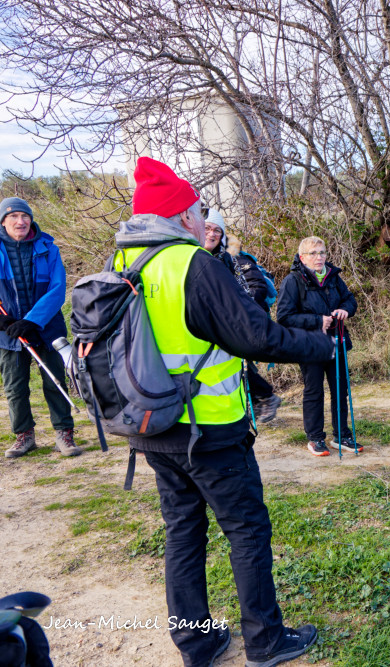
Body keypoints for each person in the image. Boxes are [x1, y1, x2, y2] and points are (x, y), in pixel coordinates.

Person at [117, 157, 335, 667]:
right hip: (209, 429)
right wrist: (318, 345)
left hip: (152, 425)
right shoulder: (192, 264)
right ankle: (266, 640)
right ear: (182, 215)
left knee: (182, 533)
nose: (202, 219)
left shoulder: (123, 260)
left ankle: (197, 644)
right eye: (198, 210)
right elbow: (256, 336)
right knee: (247, 531)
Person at [0, 196, 80, 458]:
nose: (20, 221)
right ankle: (24, 436)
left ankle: (64, 432)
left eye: (25, 216)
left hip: (46, 328)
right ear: (3, 222)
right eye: (13, 216)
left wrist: (33, 320)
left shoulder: (49, 248)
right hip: (9, 333)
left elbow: (58, 289)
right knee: (15, 387)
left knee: (55, 381)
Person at [276, 236, 362, 456]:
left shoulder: (333, 276)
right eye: (313, 253)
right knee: (314, 391)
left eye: (322, 252)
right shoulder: (293, 280)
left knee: (340, 390)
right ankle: (315, 438)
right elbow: (284, 316)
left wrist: (345, 310)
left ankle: (342, 435)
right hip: (309, 345)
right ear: (302, 257)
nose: (319, 257)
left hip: (336, 341)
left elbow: (350, 300)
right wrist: (316, 321)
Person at [202, 207, 283, 423]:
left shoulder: (233, 258)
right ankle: (258, 400)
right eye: (207, 228)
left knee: (236, 364)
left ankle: (264, 397)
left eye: (217, 231)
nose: (211, 234)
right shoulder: (193, 257)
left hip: (235, 323)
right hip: (212, 324)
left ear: (223, 236)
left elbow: (256, 286)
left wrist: (240, 314)